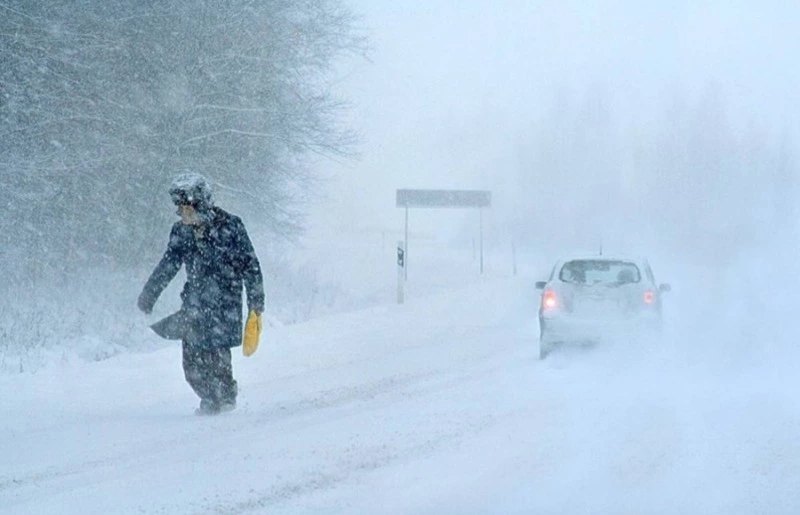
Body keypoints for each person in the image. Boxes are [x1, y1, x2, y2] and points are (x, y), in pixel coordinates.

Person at [137, 173, 264, 415]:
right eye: (180, 209)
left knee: (216, 355)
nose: (183, 214)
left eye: (188, 208)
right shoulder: (180, 232)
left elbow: (251, 266)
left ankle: (225, 398)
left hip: (225, 303)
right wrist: (149, 294)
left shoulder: (231, 227)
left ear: (202, 205)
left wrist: (256, 304)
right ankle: (209, 398)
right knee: (192, 363)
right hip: (194, 304)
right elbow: (168, 264)